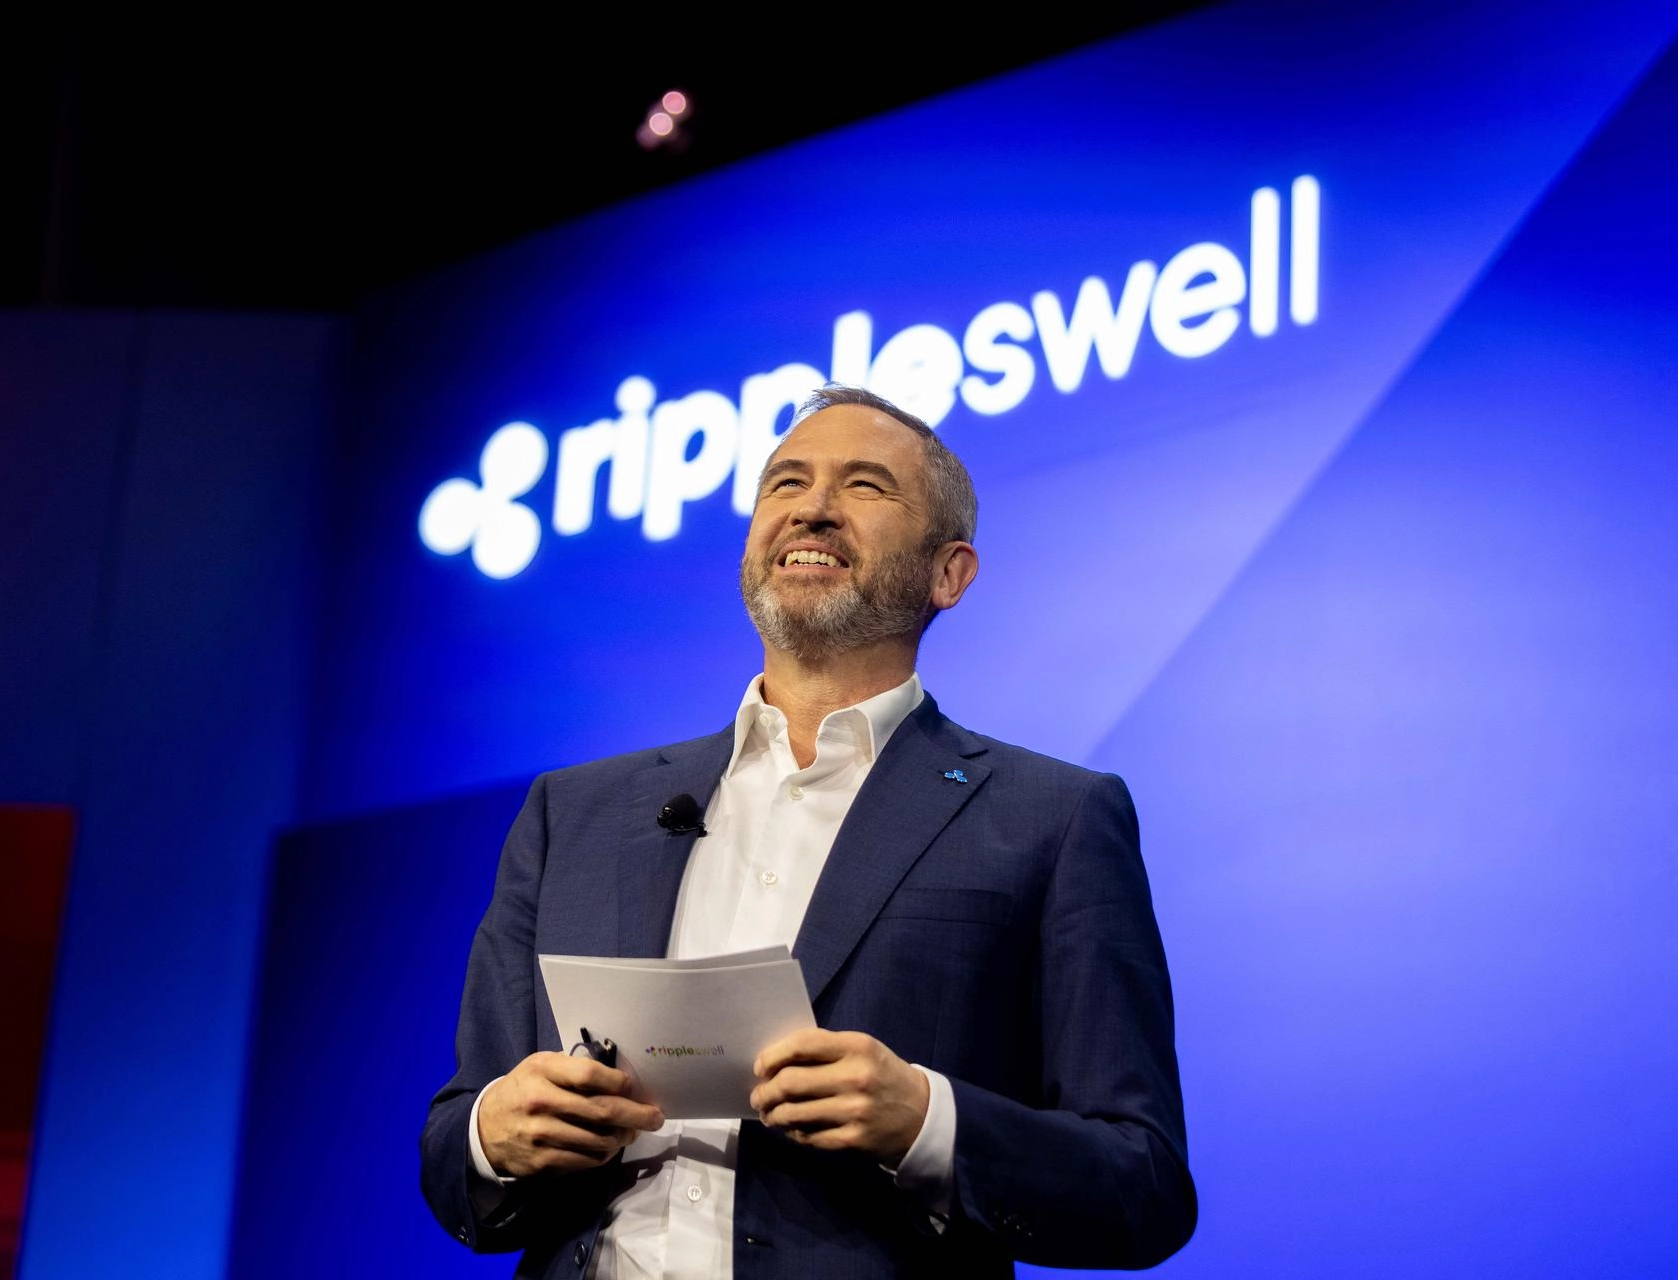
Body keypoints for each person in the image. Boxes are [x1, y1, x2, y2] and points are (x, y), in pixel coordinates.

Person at [420, 385, 1196, 1278]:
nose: (813, 508)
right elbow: (453, 1154)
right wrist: (493, 1135)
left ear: (949, 574)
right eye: (785, 482)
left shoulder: (1050, 816)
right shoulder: (575, 812)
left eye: (865, 485)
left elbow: (1141, 1187)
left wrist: (927, 1121)